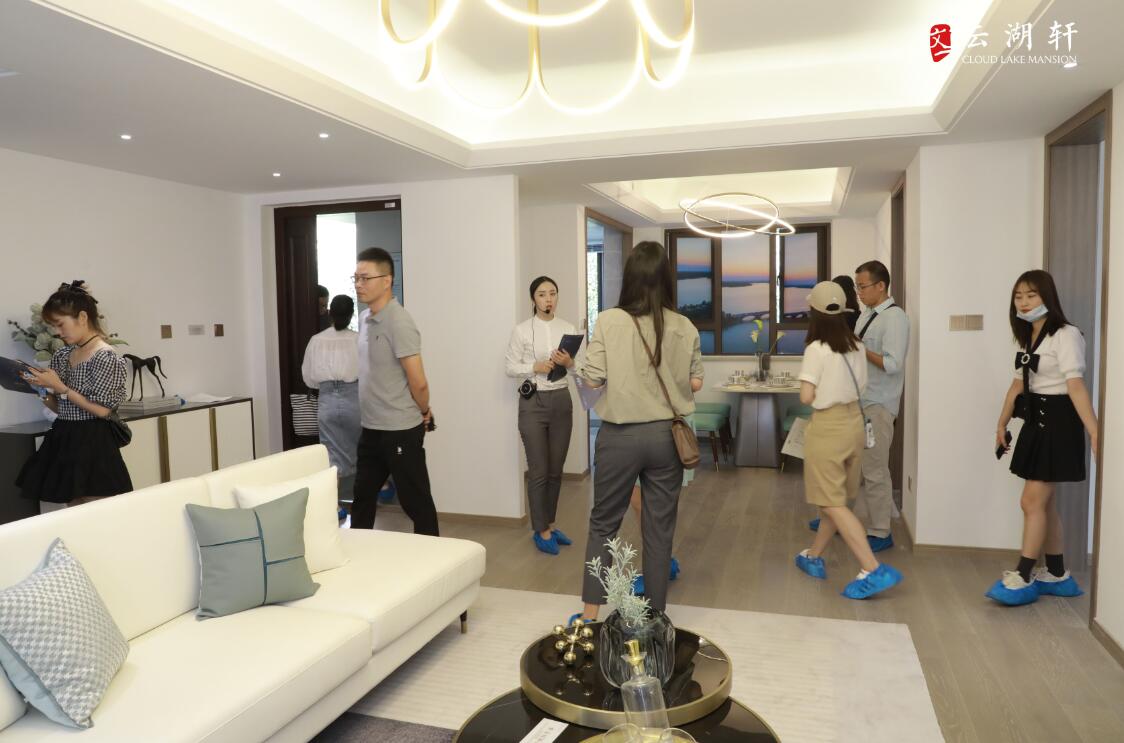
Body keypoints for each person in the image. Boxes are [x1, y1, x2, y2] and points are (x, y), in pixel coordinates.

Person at [573, 241, 704, 623]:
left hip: (619, 437)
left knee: (604, 525)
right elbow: (695, 382)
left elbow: (593, 379)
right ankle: (655, 618)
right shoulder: (684, 326)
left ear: (629, 277)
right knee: (659, 530)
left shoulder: (610, 320)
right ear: (666, 279)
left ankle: (590, 617)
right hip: (667, 438)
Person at [988, 270, 1097, 606]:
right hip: (1036, 421)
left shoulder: (1066, 334)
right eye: (1018, 296)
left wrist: (1095, 432)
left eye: (1031, 295)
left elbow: (1076, 387)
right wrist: (1001, 424)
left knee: (1030, 502)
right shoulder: (1028, 335)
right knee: (1044, 503)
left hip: (1059, 423)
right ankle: (1057, 573)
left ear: (1047, 296)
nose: (1023, 302)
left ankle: (1023, 575)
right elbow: (1017, 385)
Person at [793, 281, 903, 598]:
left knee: (832, 502)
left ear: (814, 312)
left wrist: (817, 389)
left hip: (828, 428)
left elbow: (806, 396)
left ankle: (872, 568)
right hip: (855, 422)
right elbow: (863, 384)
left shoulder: (816, 349)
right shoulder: (856, 344)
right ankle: (813, 556)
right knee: (836, 499)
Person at [810, 260, 910, 552]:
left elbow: (893, 364)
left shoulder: (895, 318)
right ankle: (836, 519)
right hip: (860, 403)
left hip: (879, 405)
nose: (859, 292)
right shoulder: (868, 314)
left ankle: (880, 531)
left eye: (863, 287)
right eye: (857, 287)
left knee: (875, 471)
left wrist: (859, 348)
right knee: (849, 467)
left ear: (881, 286)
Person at [17, 281, 132, 506]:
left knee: (98, 512)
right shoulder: (62, 355)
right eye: (53, 327)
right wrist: (40, 389)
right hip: (65, 436)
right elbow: (61, 408)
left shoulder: (105, 357)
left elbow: (102, 410)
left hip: (95, 441)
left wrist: (61, 388)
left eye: (60, 324)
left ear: (82, 317)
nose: (57, 332)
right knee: (73, 511)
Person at [350, 247, 439, 535]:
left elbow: (418, 381)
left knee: (416, 502)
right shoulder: (365, 318)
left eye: (365, 278)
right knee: (362, 498)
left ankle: (434, 555)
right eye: (356, 278)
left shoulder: (399, 321)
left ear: (387, 280)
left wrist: (424, 411)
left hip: (399, 429)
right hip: (371, 428)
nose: (358, 284)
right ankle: (357, 552)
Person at [505, 276, 578, 555]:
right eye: (542, 294)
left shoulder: (568, 328)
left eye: (553, 293)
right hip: (533, 403)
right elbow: (510, 367)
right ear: (533, 299)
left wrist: (569, 362)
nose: (548, 299)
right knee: (538, 470)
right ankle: (541, 530)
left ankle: (550, 524)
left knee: (556, 470)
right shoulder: (522, 330)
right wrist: (534, 366)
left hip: (561, 400)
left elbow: (578, 369)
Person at [302, 294, 361, 509]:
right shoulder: (358, 340)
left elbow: (308, 377)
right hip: (354, 397)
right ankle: (363, 504)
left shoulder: (316, 340)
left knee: (331, 455)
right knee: (362, 449)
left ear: (330, 314)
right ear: (351, 314)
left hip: (326, 398)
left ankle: (334, 508)